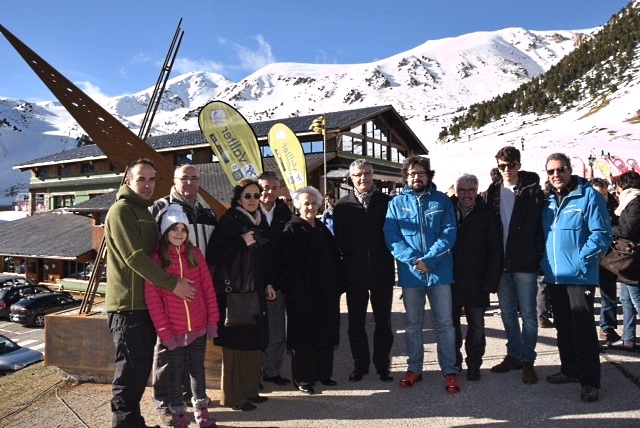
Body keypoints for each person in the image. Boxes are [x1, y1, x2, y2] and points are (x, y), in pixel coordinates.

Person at [104, 158, 196, 428]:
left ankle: (133, 422)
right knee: (129, 371)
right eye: (141, 179)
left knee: (140, 369)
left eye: (152, 179)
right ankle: (124, 423)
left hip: (145, 305)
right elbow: (135, 258)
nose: (147, 185)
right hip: (127, 307)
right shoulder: (121, 211)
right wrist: (172, 284)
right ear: (128, 181)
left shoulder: (144, 211)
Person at [383, 156, 460, 393]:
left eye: (421, 173)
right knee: (412, 324)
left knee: (445, 324)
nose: (417, 177)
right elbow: (392, 237)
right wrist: (414, 260)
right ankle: (414, 368)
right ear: (406, 177)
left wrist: (430, 260)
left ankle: (450, 371)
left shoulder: (442, 201)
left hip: (439, 274)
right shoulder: (396, 204)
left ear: (429, 175)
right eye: (413, 173)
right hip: (411, 275)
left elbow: (449, 233)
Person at [541, 153, 612, 403]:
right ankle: (569, 370)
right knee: (563, 328)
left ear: (570, 170)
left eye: (560, 170)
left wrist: (582, 260)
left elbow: (602, 233)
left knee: (583, 330)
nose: (556, 175)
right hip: (555, 276)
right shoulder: (548, 201)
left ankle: (590, 382)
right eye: (551, 172)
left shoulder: (588, 195)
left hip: (579, 276)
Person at [150, 165, 218, 424]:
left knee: (193, 361)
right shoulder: (159, 207)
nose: (189, 182)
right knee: (167, 355)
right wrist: (167, 283)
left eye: (194, 178)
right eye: (183, 178)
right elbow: (151, 251)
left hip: (198, 294)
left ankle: (194, 402)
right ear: (174, 180)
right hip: (169, 294)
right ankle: (166, 402)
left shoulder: (207, 211)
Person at [206, 179, 269, 412]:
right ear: (238, 198)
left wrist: (268, 283)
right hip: (234, 295)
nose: (253, 200)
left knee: (253, 343)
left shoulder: (258, 221)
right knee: (235, 346)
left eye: (256, 196)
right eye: (248, 196)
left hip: (254, 292)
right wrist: (240, 242)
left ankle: (251, 391)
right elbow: (213, 254)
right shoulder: (230, 221)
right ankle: (232, 397)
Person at [484, 146, 544, 385]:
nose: (506, 170)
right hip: (501, 263)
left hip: (525, 262)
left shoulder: (532, 191)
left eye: (510, 165)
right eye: (501, 166)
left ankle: (528, 360)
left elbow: (540, 227)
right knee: (508, 314)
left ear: (519, 164)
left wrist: (536, 255)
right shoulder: (493, 191)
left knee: (529, 315)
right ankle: (514, 355)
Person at [333, 159, 395, 383]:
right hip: (355, 275)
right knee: (355, 324)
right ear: (351, 178)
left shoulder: (387, 202)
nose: (363, 178)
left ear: (373, 175)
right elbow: (338, 241)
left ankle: (382, 366)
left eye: (367, 173)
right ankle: (360, 366)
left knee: (384, 323)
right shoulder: (342, 206)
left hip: (382, 273)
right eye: (358, 175)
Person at [279, 186, 342, 395]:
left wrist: (337, 287)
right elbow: (286, 267)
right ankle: (304, 379)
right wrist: (299, 292)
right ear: (297, 206)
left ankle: (324, 374)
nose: (310, 207)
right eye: (306, 203)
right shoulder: (292, 230)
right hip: (302, 296)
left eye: (314, 203)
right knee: (304, 338)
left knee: (325, 334)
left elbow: (334, 259)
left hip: (326, 294)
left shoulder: (322, 229)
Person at [450, 174, 502, 381]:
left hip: (477, 279)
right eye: (461, 190)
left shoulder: (486, 214)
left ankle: (474, 364)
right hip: (450, 280)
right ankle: (453, 362)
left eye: (470, 190)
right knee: (450, 326)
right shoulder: (447, 211)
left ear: (477, 191)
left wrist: (490, 282)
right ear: (456, 191)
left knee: (477, 327)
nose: (466, 195)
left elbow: (495, 251)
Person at [257, 171, 293, 386]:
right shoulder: (247, 212)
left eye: (273, 188)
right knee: (256, 331)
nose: (268, 192)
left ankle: (272, 370)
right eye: (264, 188)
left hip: (279, 282)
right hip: (254, 283)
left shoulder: (284, 213)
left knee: (278, 330)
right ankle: (254, 374)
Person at [609, 171, 640, 349]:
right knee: (626, 300)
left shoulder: (635, 202)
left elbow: (627, 230)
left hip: (633, 259)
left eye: (618, 186)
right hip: (627, 259)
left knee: (636, 300)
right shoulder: (629, 202)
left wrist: (608, 227)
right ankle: (628, 339)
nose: (617, 190)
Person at [589, 177, 621, 345]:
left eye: (604, 194)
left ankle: (607, 328)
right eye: (598, 194)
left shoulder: (613, 209)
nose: (602, 197)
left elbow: (621, 227)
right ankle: (584, 329)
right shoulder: (585, 208)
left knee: (608, 295)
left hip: (608, 259)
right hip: (590, 259)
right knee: (586, 295)